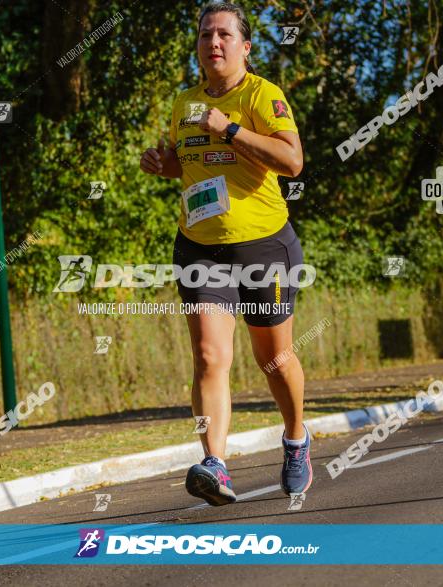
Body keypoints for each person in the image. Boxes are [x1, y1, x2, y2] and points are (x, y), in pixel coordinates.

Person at [139, 2, 310, 507]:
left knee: (273, 359)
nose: (213, 43)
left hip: (263, 244)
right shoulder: (184, 102)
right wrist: (164, 163)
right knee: (210, 356)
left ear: (245, 46)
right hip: (199, 246)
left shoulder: (263, 94)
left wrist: (231, 129)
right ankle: (215, 463)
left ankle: (296, 439)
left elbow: (292, 161)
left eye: (224, 36)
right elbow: (189, 163)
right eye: (205, 35)